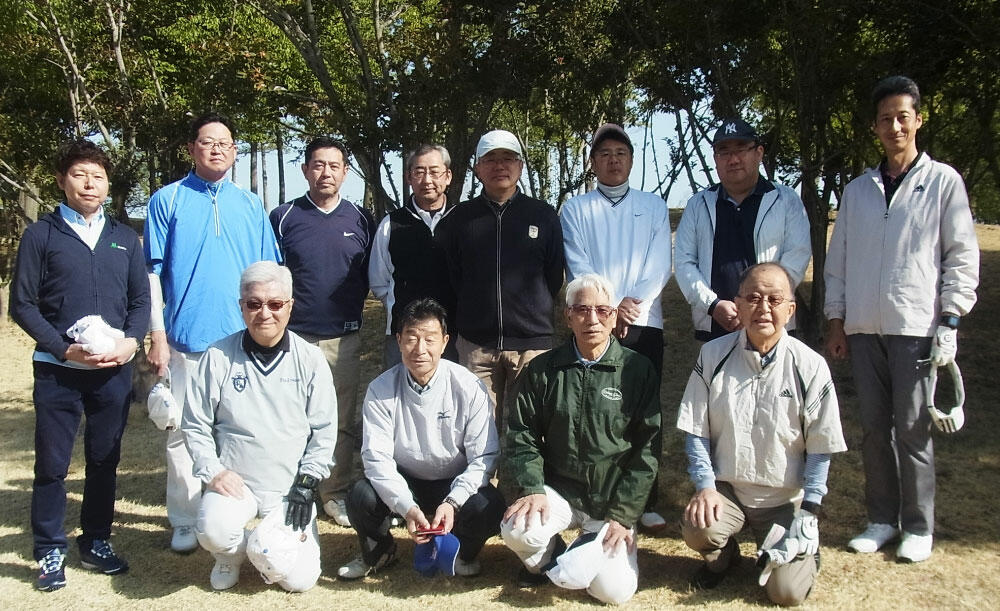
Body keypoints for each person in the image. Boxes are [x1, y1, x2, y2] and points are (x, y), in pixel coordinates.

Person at [824, 75, 980, 563]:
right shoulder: (858, 191)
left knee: (912, 429)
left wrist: (951, 319)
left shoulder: (943, 181)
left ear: (918, 119)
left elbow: (960, 255)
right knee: (873, 428)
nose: (894, 125)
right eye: (886, 118)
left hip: (916, 327)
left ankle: (918, 524)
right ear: (875, 126)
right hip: (864, 328)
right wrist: (836, 319)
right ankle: (881, 519)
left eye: (903, 116)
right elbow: (839, 259)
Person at [10, 139, 150, 590]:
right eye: (79, 174)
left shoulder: (124, 237)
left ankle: (96, 541)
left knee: (104, 460)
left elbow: (140, 300)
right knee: (52, 465)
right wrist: (61, 348)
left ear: (108, 185)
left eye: (98, 176)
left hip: (113, 371)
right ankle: (50, 549)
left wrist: (130, 344)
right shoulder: (41, 235)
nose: (89, 183)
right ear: (61, 180)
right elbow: (23, 304)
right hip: (59, 371)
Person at [145, 111, 281, 553]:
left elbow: (268, 271)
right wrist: (157, 334)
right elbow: (151, 274)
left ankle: (236, 508)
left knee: (239, 430)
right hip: (187, 340)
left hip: (242, 341)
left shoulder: (250, 204)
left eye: (225, 142)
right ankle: (185, 518)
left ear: (235, 150)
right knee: (184, 431)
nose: (217, 148)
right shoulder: (167, 200)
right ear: (191, 149)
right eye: (207, 142)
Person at [677, 263, 847, 606]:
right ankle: (724, 560)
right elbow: (696, 430)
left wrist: (810, 511)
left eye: (774, 299)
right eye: (753, 298)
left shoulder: (810, 365)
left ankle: (802, 555)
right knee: (698, 527)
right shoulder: (712, 354)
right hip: (730, 492)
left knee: (784, 594)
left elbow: (820, 446)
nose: (763, 308)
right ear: (737, 305)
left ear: (790, 309)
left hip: (784, 502)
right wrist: (705, 487)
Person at [501, 273, 660, 605]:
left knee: (612, 592)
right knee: (517, 529)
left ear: (614, 316)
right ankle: (555, 559)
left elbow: (648, 451)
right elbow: (521, 433)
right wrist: (531, 487)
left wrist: (624, 515)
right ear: (568, 316)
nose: (592, 319)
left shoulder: (637, 370)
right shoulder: (544, 369)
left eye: (603, 310)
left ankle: (595, 546)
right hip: (559, 492)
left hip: (610, 500)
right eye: (582, 310)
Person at [181, 261, 337, 591]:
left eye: (275, 304)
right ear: (241, 307)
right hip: (237, 482)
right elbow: (195, 424)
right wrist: (213, 472)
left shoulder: (310, 359)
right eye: (254, 304)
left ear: (290, 307)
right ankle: (231, 556)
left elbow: (324, 431)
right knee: (212, 529)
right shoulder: (218, 356)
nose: (264, 313)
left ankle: (275, 544)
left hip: (290, 486)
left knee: (299, 581)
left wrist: (306, 485)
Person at [337, 298, 504, 580]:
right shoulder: (381, 389)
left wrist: (452, 502)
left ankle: (462, 553)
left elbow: (483, 459)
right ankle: (380, 551)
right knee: (360, 495)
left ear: (445, 341)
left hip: (453, 481)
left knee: (489, 505)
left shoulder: (468, 386)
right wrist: (407, 507)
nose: (420, 349)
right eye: (412, 338)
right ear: (399, 340)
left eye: (430, 339)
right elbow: (376, 459)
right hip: (406, 482)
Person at [559, 123, 673, 532]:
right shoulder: (575, 209)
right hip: (593, 321)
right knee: (595, 411)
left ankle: (646, 497)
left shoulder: (654, 205)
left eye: (620, 153)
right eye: (604, 154)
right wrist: (605, 310)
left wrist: (629, 306)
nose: (613, 160)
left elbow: (659, 265)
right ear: (593, 163)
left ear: (630, 160)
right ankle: (595, 495)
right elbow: (578, 262)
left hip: (642, 322)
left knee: (643, 413)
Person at [269, 137, 375, 527]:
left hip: (343, 338)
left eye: (334, 166)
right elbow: (271, 278)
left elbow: (372, 276)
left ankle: (335, 491)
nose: (326, 172)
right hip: (291, 339)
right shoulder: (283, 217)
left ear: (345, 172)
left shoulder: (361, 219)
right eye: (318, 165)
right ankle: (293, 490)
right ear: (305, 170)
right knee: (290, 420)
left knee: (341, 420)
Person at [440, 129, 564, 430]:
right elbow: (451, 276)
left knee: (534, 431)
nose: (500, 166)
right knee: (478, 432)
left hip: (531, 345)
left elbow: (553, 274)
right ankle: (485, 481)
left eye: (508, 158)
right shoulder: (459, 219)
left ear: (520, 166)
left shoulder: (543, 215)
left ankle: (529, 481)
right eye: (490, 159)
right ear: (477, 168)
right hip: (476, 346)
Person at [675, 117, 810, 342]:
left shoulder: (785, 200)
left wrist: (759, 306)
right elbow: (684, 262)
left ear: (758, 153)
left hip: (771, 325)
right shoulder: (698, 205)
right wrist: (712, 305)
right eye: (724, 152)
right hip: (716, 325)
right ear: (715, 159)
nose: (733, 159)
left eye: (741, 149)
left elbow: (797, 257)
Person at [369, 144, 458, 369]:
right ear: (408, 177)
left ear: (447, 176)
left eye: (434, 172)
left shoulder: (464, 221)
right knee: (398, 398)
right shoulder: (391, 224)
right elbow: (379, 282)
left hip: (455, 335)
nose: (427, 179)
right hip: (404, 335)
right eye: (419, 172)